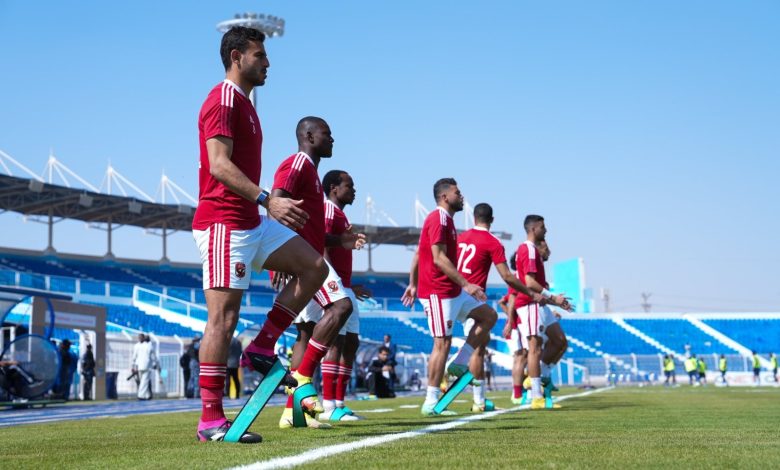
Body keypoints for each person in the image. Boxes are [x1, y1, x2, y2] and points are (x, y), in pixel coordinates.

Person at [192, 27, 331, 443]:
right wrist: (267, 198)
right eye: (260, 55)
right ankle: (211, 419)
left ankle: (263, 345)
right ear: (237, 57)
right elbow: (218, 164)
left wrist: (262, 206)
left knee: (314, 268)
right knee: (223, 318)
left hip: (251, 221)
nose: (267, 63)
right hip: (223, 223)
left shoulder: (248, 105)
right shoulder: (222, 100)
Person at [268, 117, 363, 429]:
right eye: (327, 134)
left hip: (305, 257)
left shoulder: (309, 170)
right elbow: (276, 203)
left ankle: (291, 412)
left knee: (306, 332)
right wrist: (281, 256)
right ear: (309, 135)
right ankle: (302, 382)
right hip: (303, 261)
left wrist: (340, 241)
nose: (333, 139)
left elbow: (314, 232)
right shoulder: (297, 163)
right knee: (341, 307)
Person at [401, 178, 498, 416]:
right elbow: (437, 258)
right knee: (441, 343)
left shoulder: (448, 222)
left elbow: (418, 254)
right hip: (438, 292)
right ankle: (431, 401)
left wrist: (412, 283)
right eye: (457, 192)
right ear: (445, 197)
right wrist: (467, 284)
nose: (461, 195)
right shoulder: (438, 218)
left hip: (453, 292)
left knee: (489, 316)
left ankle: (460, 362)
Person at [454, 203, 551, 411]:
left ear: (473, 218)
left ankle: (479, 398)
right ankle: (476, 399)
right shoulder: (492, 241)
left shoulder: (460, 237)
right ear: (493, 219)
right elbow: (507, 276)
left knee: (480, 343)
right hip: (473, 297)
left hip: (456, 292)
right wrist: (532, 293)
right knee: (477, 349)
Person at [319, 170, 373, 422]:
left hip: (345, 286)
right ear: (333, 188)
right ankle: (329, 406)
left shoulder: (340, 214)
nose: (354, 190)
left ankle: (339, 402)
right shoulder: (328, 211)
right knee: (336, 343)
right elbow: (322, 245)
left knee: (351, 343)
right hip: (335, 286)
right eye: (349, 186)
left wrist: (351, 286)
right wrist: (334, 281)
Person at [512, 215, 570, 409]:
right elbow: (529, 282)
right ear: (534, 228)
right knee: (534, 348)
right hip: (529, 304)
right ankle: (536, 395)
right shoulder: (528, 249)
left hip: (538, 304)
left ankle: (539, 377)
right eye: (543, 227)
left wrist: (555, 302)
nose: (546, 230)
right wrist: (553, 297)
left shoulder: (531, 250)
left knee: (560, 340)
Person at [132, 334, 157, 400]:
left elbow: (134, 357)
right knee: (144, 381)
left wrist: (133, 365)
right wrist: (154, 364)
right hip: (147, 366)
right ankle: (141, 395)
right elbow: (153, 356)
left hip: (139, 366)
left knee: (143, 381)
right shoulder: (149, 346)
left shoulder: (136, 346)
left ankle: (147, 395)